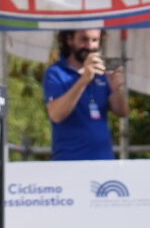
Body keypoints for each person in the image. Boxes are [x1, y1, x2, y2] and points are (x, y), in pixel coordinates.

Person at [44, 29, 128, 161]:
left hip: (104, 161)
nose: (90, 46)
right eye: (84, 39)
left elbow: (122, 112)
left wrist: (117, 88)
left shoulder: (102, 73)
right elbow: (56, 115)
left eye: (95, 40)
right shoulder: (56, 73)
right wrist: (84, 79)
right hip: (70, 161)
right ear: (69, 40)